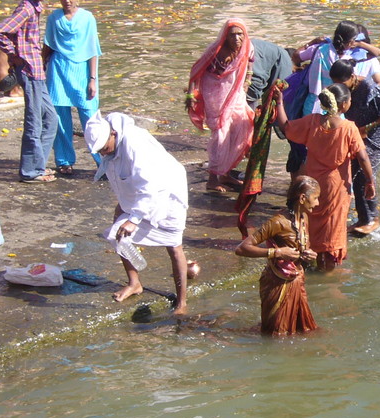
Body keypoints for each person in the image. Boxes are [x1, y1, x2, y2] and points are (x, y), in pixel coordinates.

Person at [85, 112, 197, 316]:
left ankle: (181, 303)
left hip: (167, 193)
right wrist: (126, 208)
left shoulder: (136, 145)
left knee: (173, 246)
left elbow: (151, 186)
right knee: (118, 230)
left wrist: (134, 219)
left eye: (104, 148)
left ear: (113, 134)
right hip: (137, 193)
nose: (103, 153)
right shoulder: (112, 147)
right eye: (100, 151)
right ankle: (134, 283)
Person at [274, 84, 376, 270]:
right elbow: (362, 157)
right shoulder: (349, 128)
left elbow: (285, 127)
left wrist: (279, 102)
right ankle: (327, 272)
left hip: (312, 185)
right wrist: (369, 181)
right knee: (332, 229)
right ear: (344, 104)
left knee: (311, 223)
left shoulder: (312, 121)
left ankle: (312, 261)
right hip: (336, 187)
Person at [0, 0, 58, 183]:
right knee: (34, 121)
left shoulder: (36, 6)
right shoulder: (26, 8)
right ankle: (30, 171)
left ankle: (38, 165)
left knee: (51, 118)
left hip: (37, 69)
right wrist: (14, 55)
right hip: (29, 70)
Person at [235, 176, 320, 335]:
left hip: (296, 281)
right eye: (315, 198)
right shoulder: (278, 222)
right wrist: (277, 252)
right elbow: (241, 249)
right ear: (302, 198)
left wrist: (307, 255)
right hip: (277, 284)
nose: (317, 203)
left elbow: (301, 248)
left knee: (302, 330)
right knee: (275, 335)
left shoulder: (303, 218)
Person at [186, 19, 256, 192]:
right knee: (221, 133)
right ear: (226, 36)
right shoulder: (215, 50)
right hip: (215, 93)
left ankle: (225, 173)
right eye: (232, 35)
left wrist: (247, 80)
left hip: (236, 92)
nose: (237, 39)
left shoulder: (248, 47)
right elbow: (196, 70)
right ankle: (212, 178)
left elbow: (250, 63)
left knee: (243, 125)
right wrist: (190, 93)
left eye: (240, 34)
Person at [329, 59, 380, 235]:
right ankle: (363, 218)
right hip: (357, 131)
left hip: (376, 134)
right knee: (354, 171)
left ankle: (372, 218)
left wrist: (367, 128)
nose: (338, 87)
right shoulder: (347, 89)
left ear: (352, 77)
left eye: (341, 83)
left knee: (365, 173)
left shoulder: (370, 89)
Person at [44, 0, 101, 175]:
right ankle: (64, 160)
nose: (67, 1)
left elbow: (93, 49)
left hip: (83, 70)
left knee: (90, 116)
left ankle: (102, 160)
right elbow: (48, 46)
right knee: (60, 118)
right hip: (59, 69)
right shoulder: (54, 18)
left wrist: (92, 79)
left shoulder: (87, 18)